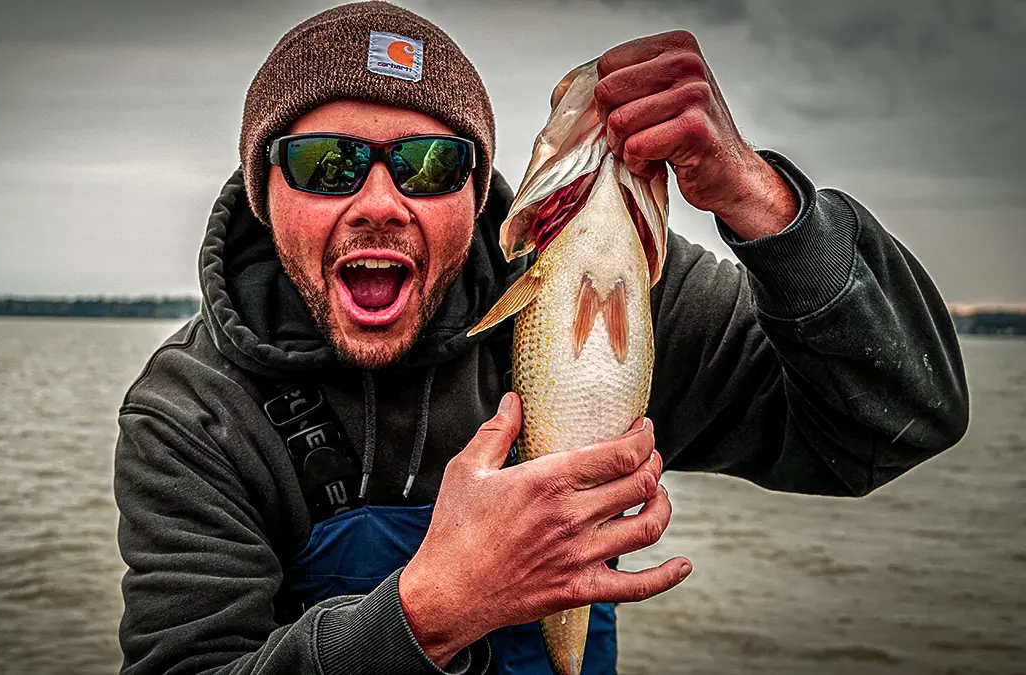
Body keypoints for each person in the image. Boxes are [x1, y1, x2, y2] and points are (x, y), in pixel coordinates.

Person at [112, 3, 969, 674]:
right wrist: (436, 607)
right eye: (325, 163)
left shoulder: (618, 293)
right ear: (263, 193)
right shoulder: (193, 412)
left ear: (479, 191)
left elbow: (899, 421)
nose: (378, 202)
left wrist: (763, 202)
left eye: (429, 166)